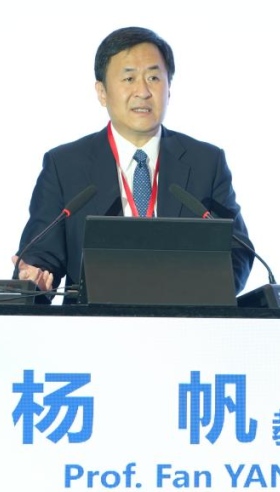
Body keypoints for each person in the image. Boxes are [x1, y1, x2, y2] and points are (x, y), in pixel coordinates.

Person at [13, 26, 253, 296]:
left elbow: (238, 250)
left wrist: (203, 294)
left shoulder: (206, 163)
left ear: (169, 89)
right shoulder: (65, 166)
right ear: (102, 92)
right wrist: (35, 280)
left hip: (185, 317)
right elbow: (40, 257)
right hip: (92, 320)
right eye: (129, 79)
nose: (143, 91)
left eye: (153, 78)